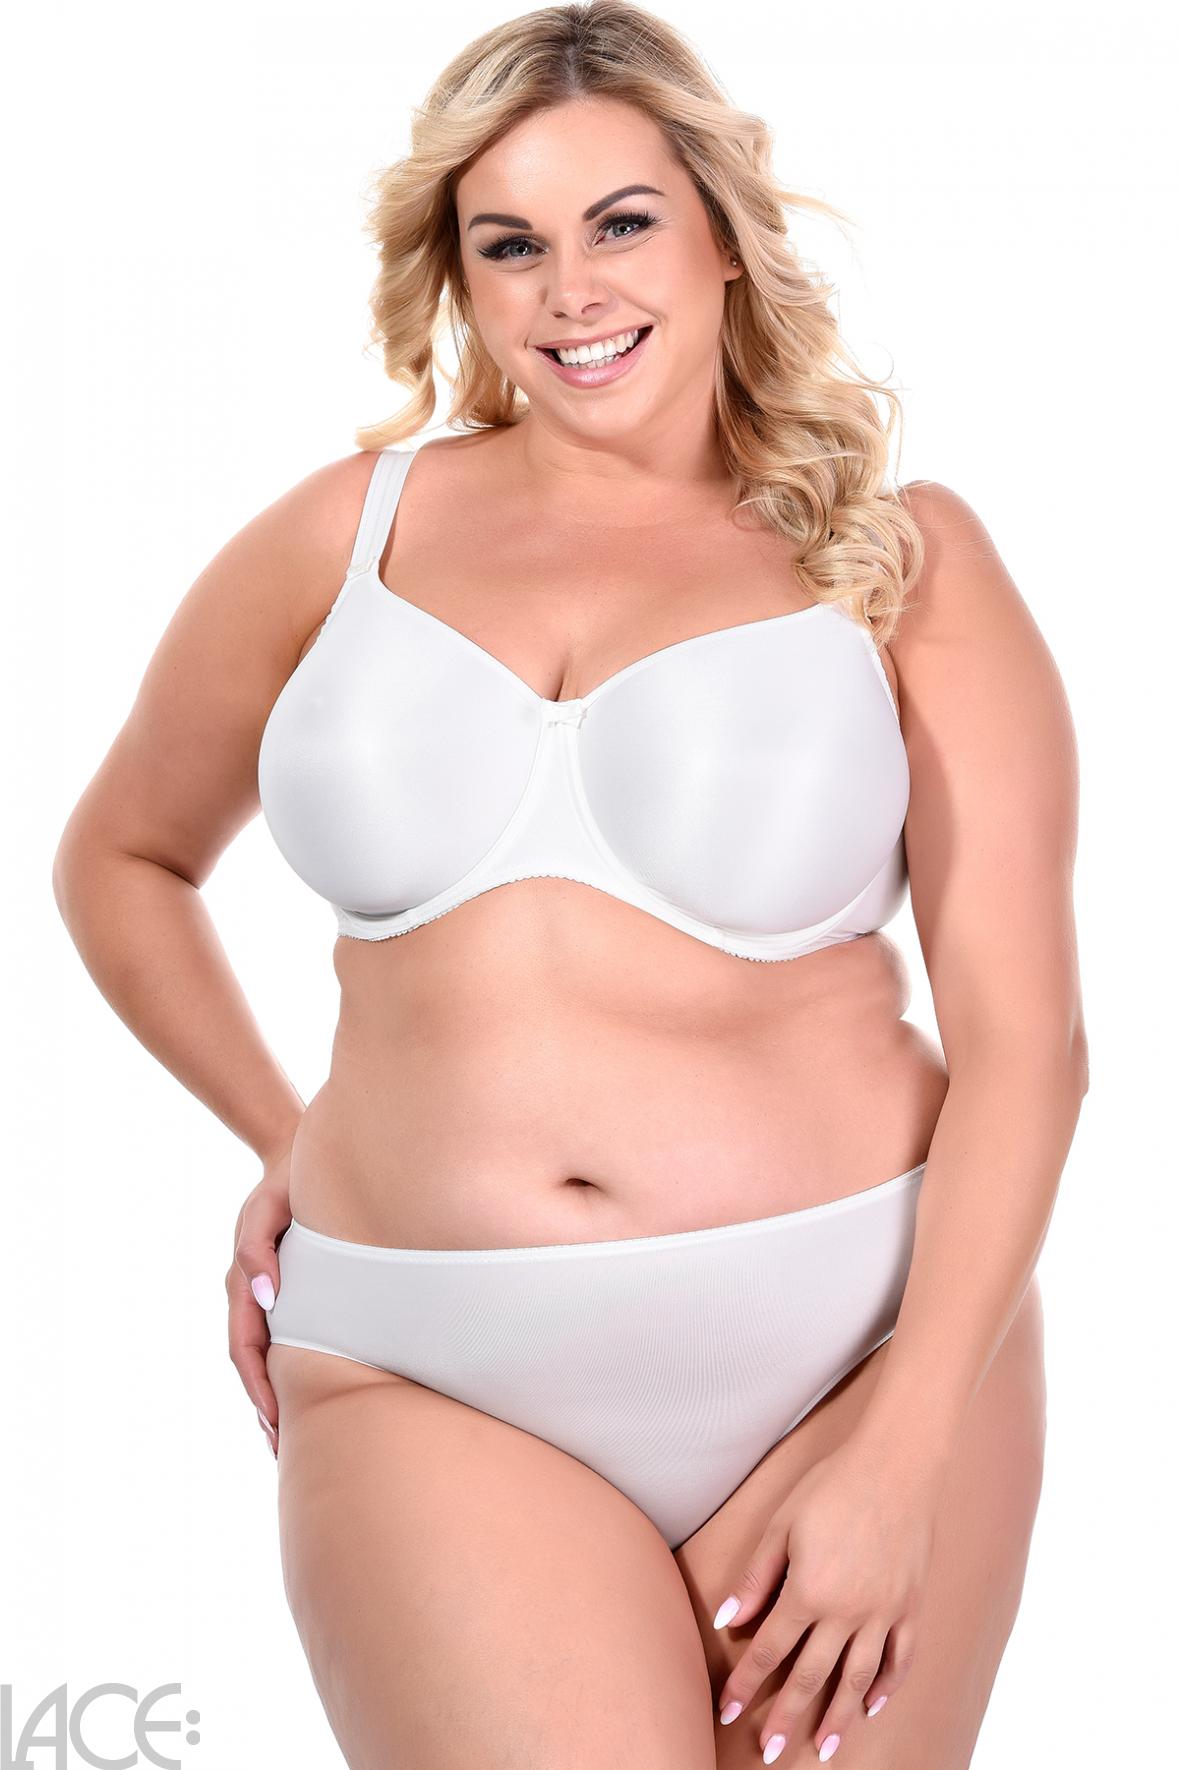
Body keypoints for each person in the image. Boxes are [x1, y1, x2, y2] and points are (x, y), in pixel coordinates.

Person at [51, 3, 1088, 1765]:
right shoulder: (345, 536)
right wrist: (286, 1131)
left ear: (722, 235)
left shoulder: (900, 560)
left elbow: (1028, 1045)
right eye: (509, 243)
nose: (570, 290)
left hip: (859, 1350)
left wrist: (904, 1454)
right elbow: (122, 856)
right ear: (456, 276)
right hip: (427, 1367)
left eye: (620, 222)